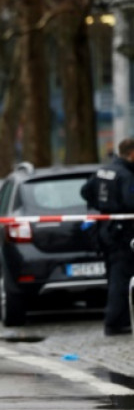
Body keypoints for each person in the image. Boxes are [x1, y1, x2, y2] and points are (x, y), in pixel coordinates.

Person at [81, 138, 134, 336]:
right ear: (132, 153)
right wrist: (115, 207)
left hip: (105, 231)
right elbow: (130, 203)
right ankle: (115, 322)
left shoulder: (104, 170)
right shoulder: (126, 175)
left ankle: (119, 320)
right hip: (121, 233)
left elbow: (85, 191)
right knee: (121, 279)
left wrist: (104, 207)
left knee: (114, 277)